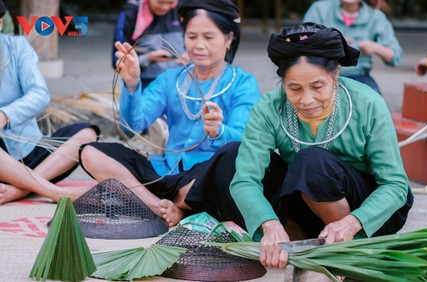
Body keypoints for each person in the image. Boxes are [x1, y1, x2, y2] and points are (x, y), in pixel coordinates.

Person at [198, 22, 413, 268]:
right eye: (295, 88)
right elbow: (246, 180)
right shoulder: (269, 107)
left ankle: (347, 249)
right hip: (304, 201)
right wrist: (269, 224)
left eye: (317, 86)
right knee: (230, 156)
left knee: (312, 161)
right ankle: (290, 238)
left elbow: (395, 186)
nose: (307, 99)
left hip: (366, 214)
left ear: (336, 73)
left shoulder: (367, 103)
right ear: (283, 83)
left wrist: (352, 223)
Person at [80, 0, 260, 227]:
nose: (199, 45)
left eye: (209, 37)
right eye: (192, 37)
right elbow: (132, 125)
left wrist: (218, 131)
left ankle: (170, 205)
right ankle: (159, 206)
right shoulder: (170, 79)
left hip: (204, 177)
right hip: (165, 171)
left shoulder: (243, 83)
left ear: (229, 39)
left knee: (232, 159)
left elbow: (246, 141)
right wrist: (133, 84)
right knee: (91, 152)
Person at [0, 3, 99, 205]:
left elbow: (40, 94)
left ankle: (18, 190)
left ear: (0, 23)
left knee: (87, 134)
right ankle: (51, 191)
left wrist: (5, 115)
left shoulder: (18, 47)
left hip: (29, 149)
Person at [303, 0, 403, 94]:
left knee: (373, 98)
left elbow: (395, 57)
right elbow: (303, 42)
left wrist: (375, 47)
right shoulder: (319, 9)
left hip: (358, 76)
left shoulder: (376, 16)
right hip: (321, 73)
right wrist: (332, 44)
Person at [113, 0, 188, 88]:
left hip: (180, 80)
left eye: (171, 2)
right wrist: (148, 58)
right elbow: (117, 61)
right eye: (160, 2)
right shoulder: (131, 12)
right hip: (145, 83)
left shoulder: (183, 9)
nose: (165, 7)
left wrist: (191, 57)